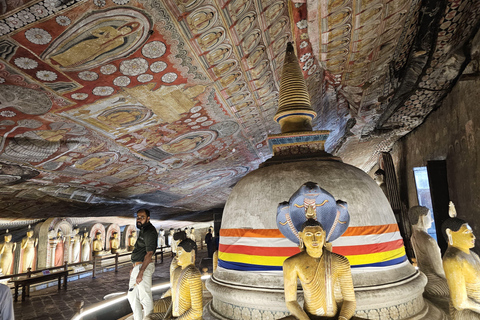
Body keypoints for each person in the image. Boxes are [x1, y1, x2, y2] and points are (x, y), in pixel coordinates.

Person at [283, 219, 357, 320]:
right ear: (301, 236)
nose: (314, 239)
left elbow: (350, 300)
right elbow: (290, 302)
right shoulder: (291, 263)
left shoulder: (340, 261)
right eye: (308, 235)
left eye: (318, 234)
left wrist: (342, 318)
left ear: (324, 234)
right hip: (308, 316)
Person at [146, 238, 202, 320]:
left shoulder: (193, 275)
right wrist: (167, 317)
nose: (176, 256)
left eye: (179, 253)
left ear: (192, 254)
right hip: (174, 315)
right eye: (176, 253)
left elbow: (197, 311)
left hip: (187, 318)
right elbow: (174, 300)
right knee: (149, 317)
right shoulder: (177, 271)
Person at [442, 202, 480, 319]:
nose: (473, 237)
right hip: (468, 310)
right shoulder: (452, 260)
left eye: (471, 232)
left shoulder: (472, 254)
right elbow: (460, 303)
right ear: (450, 233)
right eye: (467, 233)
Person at [409, 206, 449, 297]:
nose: (432, 220)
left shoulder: (413, 237)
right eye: (429, 217)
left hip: (425, 280)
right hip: (436, 283)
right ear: (422, 217)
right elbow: (439, 270)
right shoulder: (429, 240)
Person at [128, 209, 158, 320]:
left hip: (143, 267)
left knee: (145, 297)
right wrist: (134, 267)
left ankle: (149, 318)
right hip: (137, 267)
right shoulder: (143, 229)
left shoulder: (150, 231)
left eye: (142, 217)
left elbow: (149, 253)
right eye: (138, 217)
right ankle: (138, 318)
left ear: (148, 218)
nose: (139, 219)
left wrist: (141, 272)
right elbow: (140, 250)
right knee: (132, 295)